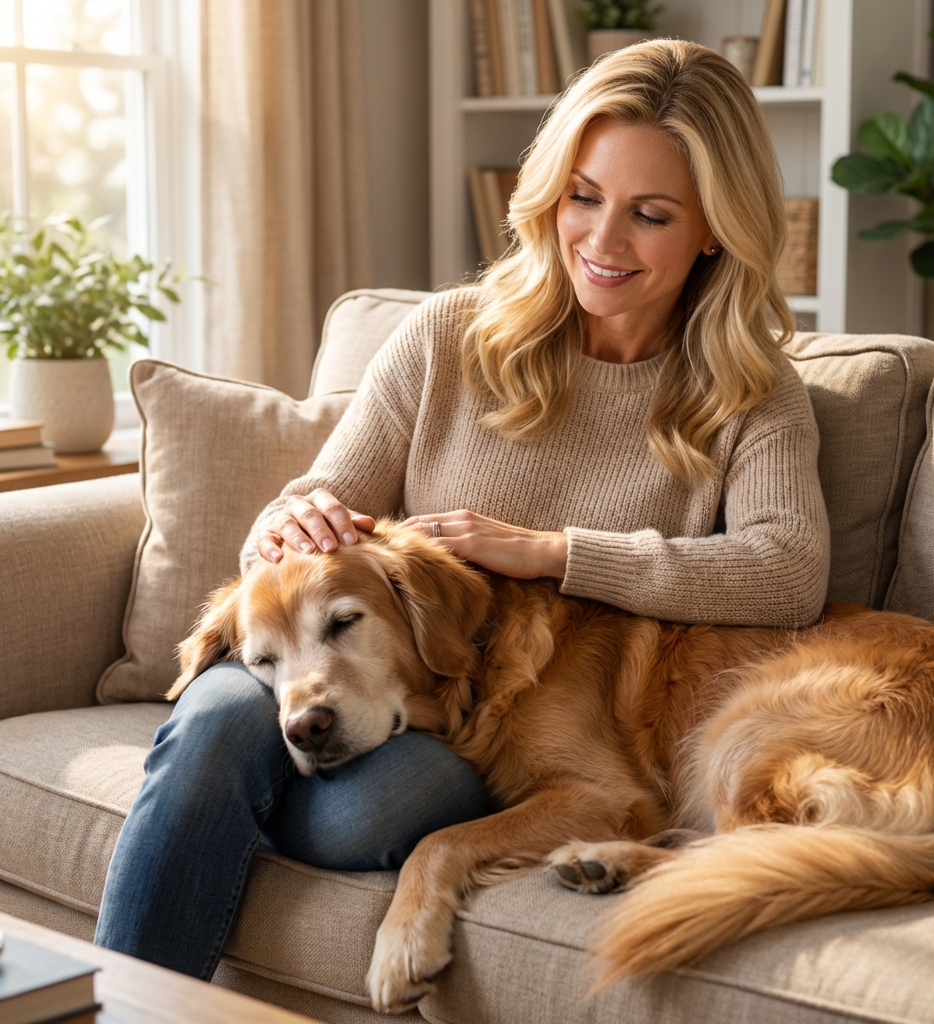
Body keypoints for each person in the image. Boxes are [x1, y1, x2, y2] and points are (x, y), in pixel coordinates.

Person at [95, 39, 829, 980]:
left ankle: (234, 820)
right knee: (211, 727)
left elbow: (789, 568)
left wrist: (553, 552)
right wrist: (288, 527)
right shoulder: (447, 336)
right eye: (582, 197)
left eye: (649, 215)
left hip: (490, 714)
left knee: (361, 810)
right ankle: (117, 1006)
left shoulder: (748, 393)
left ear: (715, 229)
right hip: (353, 657)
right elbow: (313, 505)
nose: (600, 243)